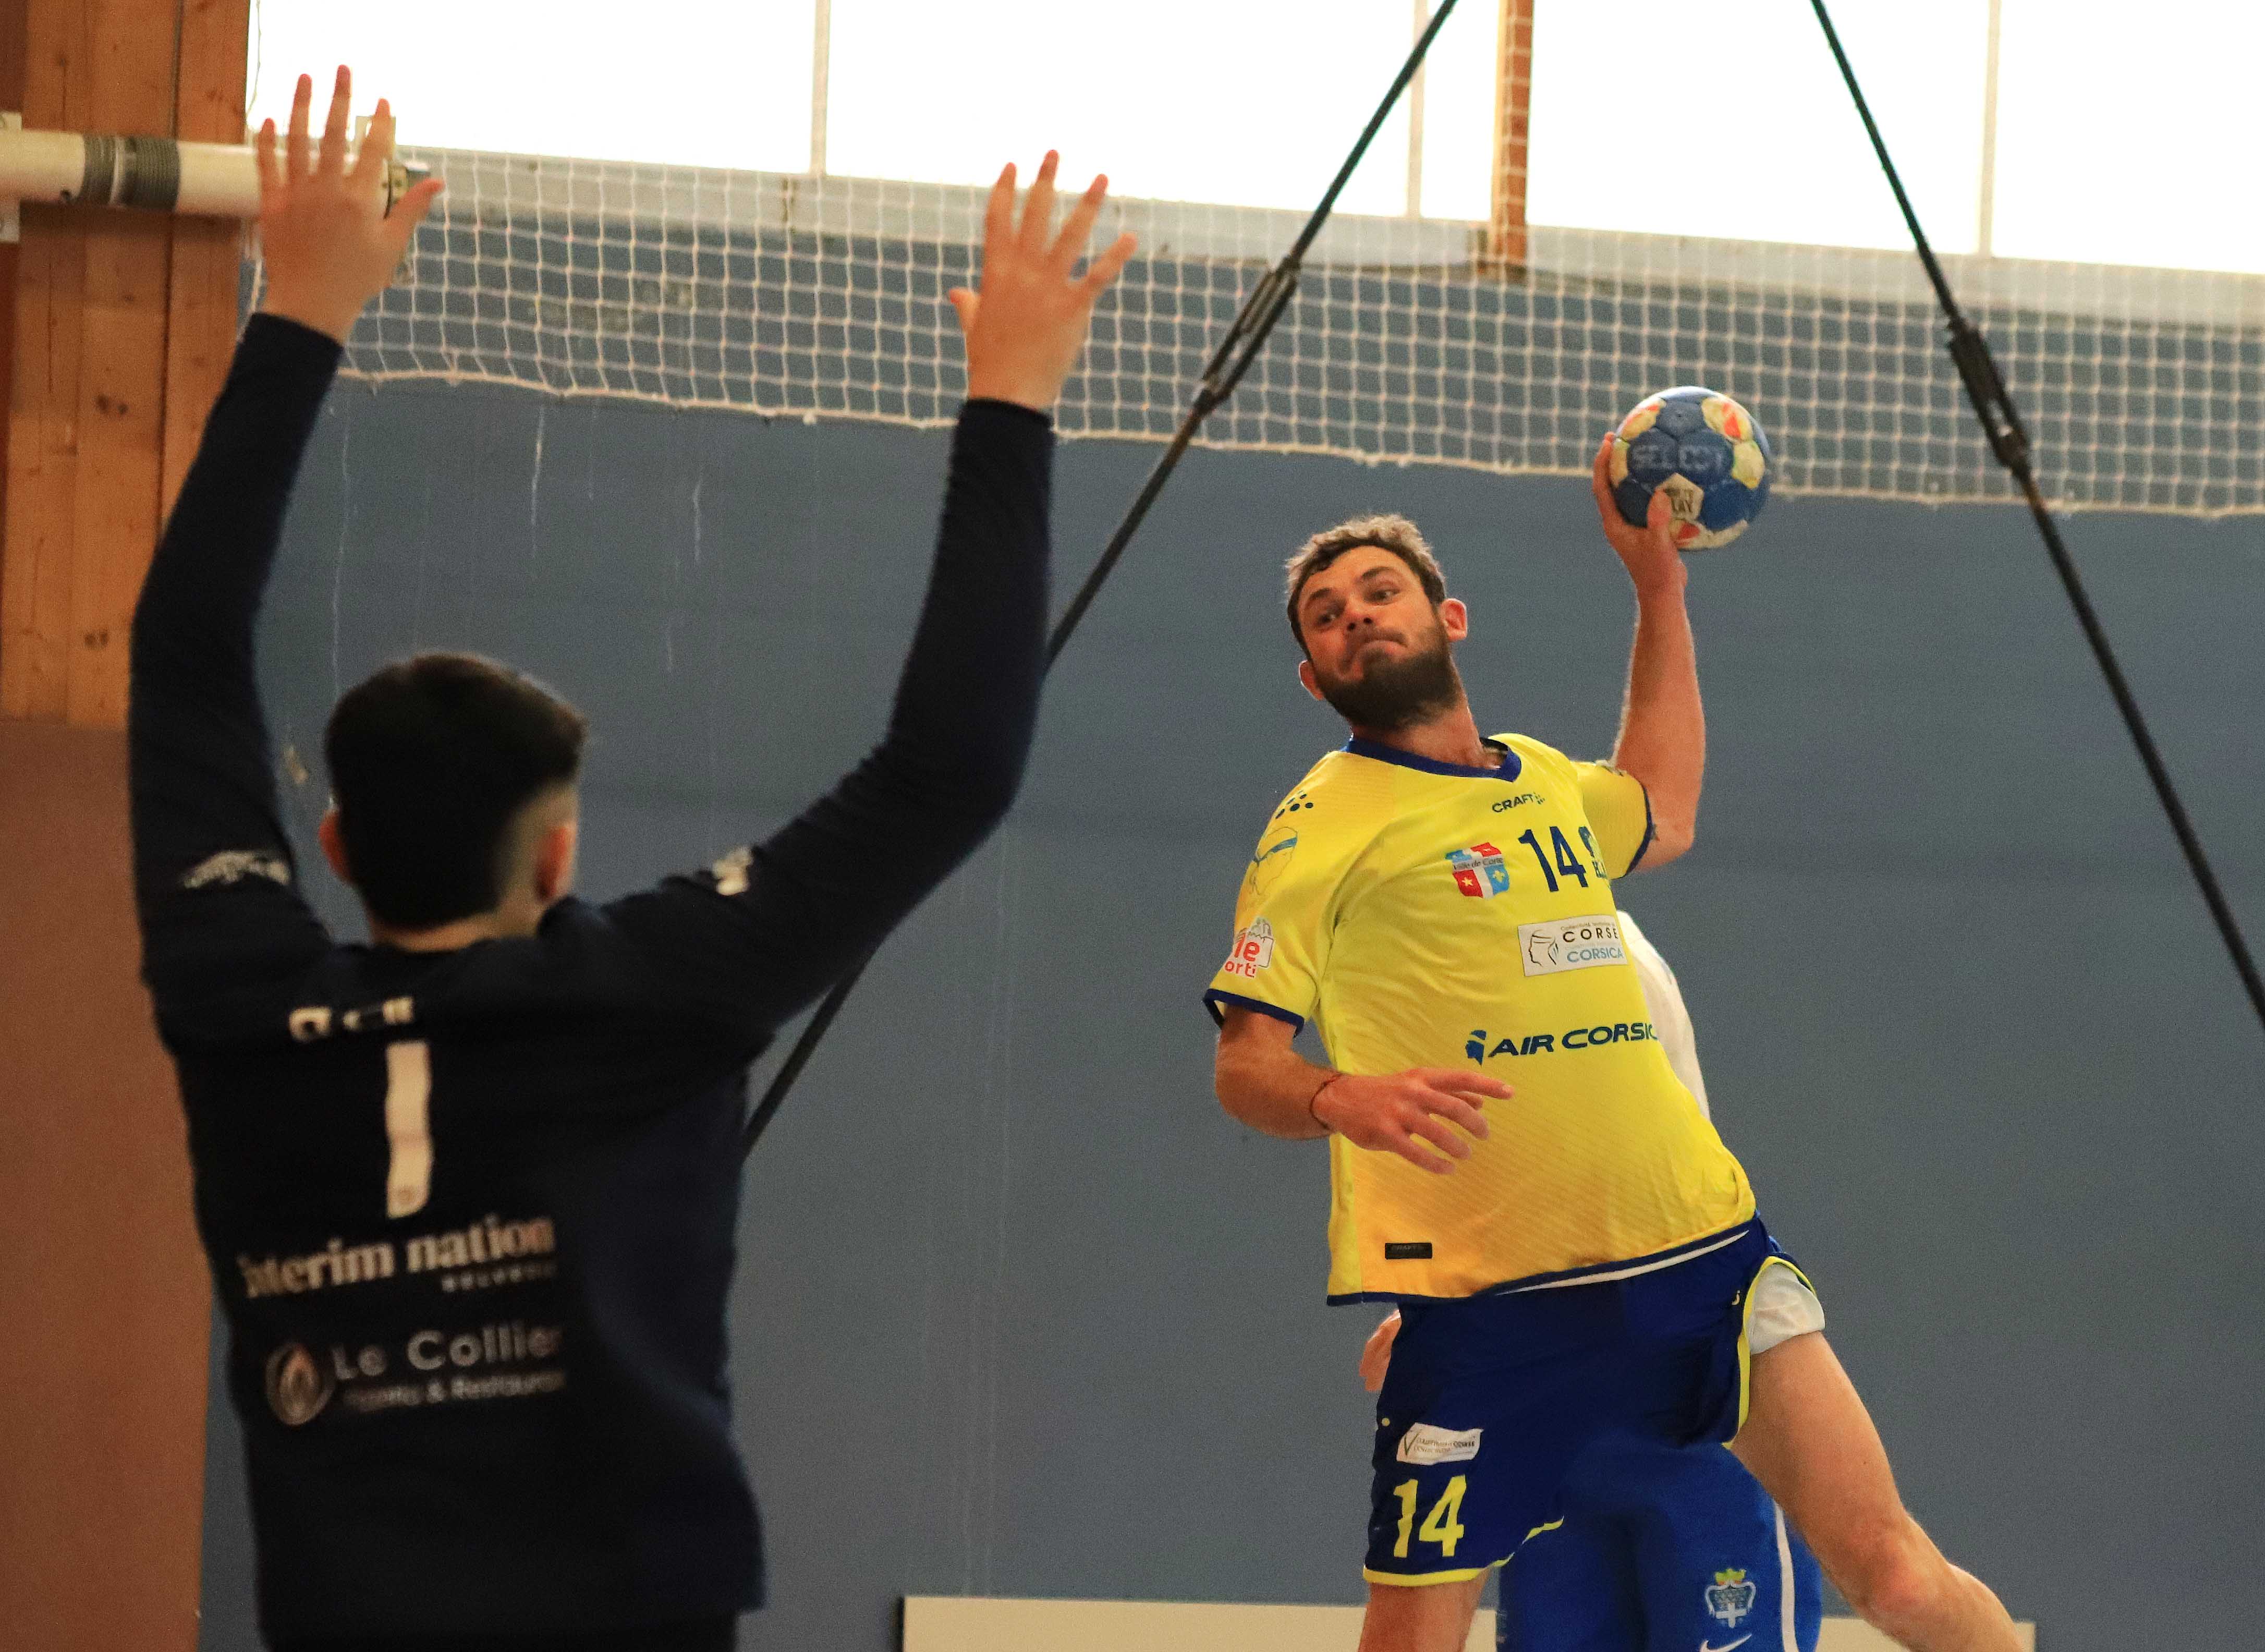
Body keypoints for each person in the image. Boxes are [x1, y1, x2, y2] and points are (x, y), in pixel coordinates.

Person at [128, 67, 1131, 1650]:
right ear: (559, 860)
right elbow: (950, 770)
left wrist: (298, 314)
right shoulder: (652, 988)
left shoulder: (238, 994)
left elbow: (184, 657)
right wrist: (1011, 393)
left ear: (330, 845)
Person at [1202, 482, 2023, 1652]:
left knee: (1895, 1576)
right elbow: (1245, 1065)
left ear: (1450, 616)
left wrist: (1659, 589)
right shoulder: (1316, 826)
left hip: (1701, 1263)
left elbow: (1664, 806)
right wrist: (1342, 1098)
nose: (1357, 619)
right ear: (1313, 676)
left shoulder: (1538, 778)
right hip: (1492, 1314)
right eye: (1326, 617)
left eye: (1381, 592)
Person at [1359, 912, 1825, 1652]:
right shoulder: (1425, 974)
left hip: (1682, 1399)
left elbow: (1647, 1170)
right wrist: (1422, 1310)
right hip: (1545, 1424)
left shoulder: (1605, 956)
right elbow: (1454, 1167)